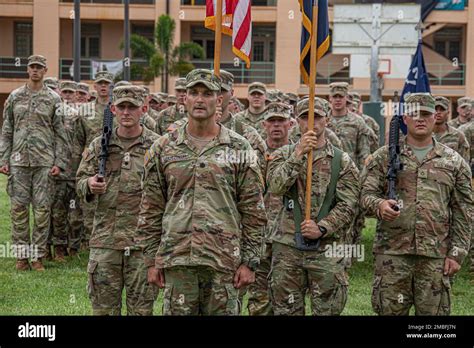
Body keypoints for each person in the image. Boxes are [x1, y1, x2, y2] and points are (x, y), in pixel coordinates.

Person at [135, 69, 267, 315]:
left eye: (207, 94)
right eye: (193, 92)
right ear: (184, 98)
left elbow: (254, 210)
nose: (199, 99)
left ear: (219, 100)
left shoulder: (240, 147)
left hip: (224, 261)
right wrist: (151, 260)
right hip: (178, 260)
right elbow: (151, 208)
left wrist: (250, 261)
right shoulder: (164, 148)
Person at [361, 93, 472, 315]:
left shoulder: (453, 162)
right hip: (392, 254)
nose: (420, 119)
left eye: (426, 114)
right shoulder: (384, 157)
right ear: (405, 119)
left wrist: (456, 253)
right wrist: (379, 205)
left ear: (436, 118)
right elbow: (364, 196)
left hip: (435, 255)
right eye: (414, 114)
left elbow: (464, 211)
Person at [267, 97, 360, 315]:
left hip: (326, 249)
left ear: (327, 119)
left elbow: (349, 204)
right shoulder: (282, 155)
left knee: (327, 310)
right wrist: (298, 154)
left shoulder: (341, 160)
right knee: (285, 309)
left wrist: (323, 227)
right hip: (287, 246)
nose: (311, 123)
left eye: (316, 117)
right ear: (296, 121)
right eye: (304, 117)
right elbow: (276, 187)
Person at [76, 85, 160, 315]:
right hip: (105, 241)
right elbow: (80, 180)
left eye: (131, 107)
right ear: (112, 109)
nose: (126, 112)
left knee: (141, 310)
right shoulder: (99, 144)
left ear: (143, 109)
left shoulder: (157, 146)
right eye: (121, 107)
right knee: (103, 310)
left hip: (142, 243)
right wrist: (90, 184)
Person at [0, 54, 68, 271]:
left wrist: (60, 162)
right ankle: (21, 257)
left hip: (44, 162)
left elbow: (61, 133)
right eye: (32, 67)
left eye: (39, 67)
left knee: (42, 210)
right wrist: (4, 158)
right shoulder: (15, 97)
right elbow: (7, 130)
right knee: (19, 210)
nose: (35, 71)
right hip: (19, 162)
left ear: (45, 70)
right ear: (27, 70)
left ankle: (37, 256)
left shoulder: (54, 99)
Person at [246, 102, 293, 316]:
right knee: (259, 296)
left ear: (291, 124)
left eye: (281, 121)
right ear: (263, 124)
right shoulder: (249, 153)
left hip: (290, 235)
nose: (276, 126)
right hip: (259, 234)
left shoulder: (300, 153)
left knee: (288, 297)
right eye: (272, 121)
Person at [433, 96, 470, 163]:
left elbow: (464, 165)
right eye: (435, 109)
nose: (438, 112)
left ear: (448, 112)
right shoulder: (422, 135)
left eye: (442, 109)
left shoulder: (458, 136)